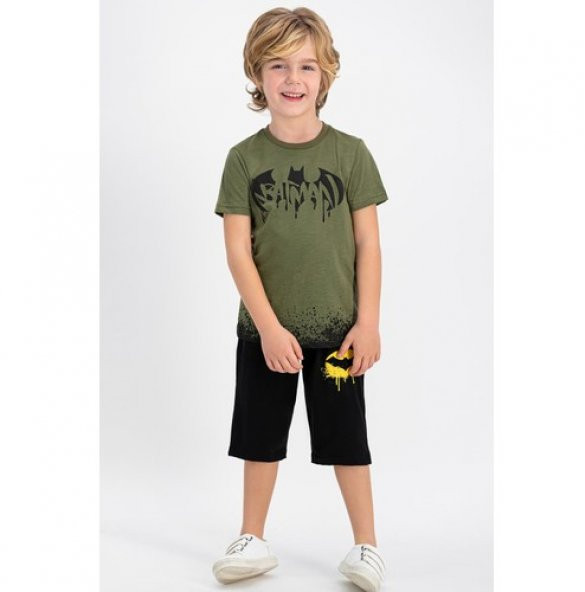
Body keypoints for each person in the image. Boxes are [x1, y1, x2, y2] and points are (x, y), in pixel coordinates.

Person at [211, 7, 388, 592]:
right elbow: (238, 252)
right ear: (257, 74)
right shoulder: (244, 159)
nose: (293, 78)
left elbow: (368, 244)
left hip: (338, 332)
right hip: (265, 331)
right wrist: (268, 327)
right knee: (259, 435)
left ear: (325, 75)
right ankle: (252, 538)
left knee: (347, 437)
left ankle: (366, 546)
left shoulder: (350, 153)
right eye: (278, 65)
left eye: (307, 66)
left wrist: (368, 323)